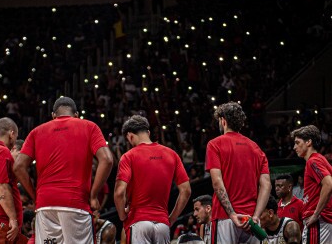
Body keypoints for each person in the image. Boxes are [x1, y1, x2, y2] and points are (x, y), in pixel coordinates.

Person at [14, 96, 113, 244]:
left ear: (53, 115)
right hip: (75, 203)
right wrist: (93, 196)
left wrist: (35, 196)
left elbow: (18, 166)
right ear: (76, 115)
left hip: (45, 204)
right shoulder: (89, 127)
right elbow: (107, 159)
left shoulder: (37, 131)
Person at [114, 115, 191, 244]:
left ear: (129, 136)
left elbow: (119, 192)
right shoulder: (172, 154)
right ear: (148, 132)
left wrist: (122, 215)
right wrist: (172, 218)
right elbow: (186, 190)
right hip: (162, 224)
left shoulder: (129, 156)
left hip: (138, 221)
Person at [205, 102, 272, 244]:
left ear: (223, 121)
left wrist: (232, 214)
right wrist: (256, 216)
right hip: (251, 221)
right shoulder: (256, 148)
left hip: (225, 217)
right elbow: (266, 185)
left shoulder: (215, 144)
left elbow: (217, 183)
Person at [291, 125, 332, 243]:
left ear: (309, 142)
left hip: (319, 221)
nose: (294, 147)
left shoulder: (313, 161)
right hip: (323, 221)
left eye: (297, 142)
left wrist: (315, 214)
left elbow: (329, 184)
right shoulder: (321, 159)